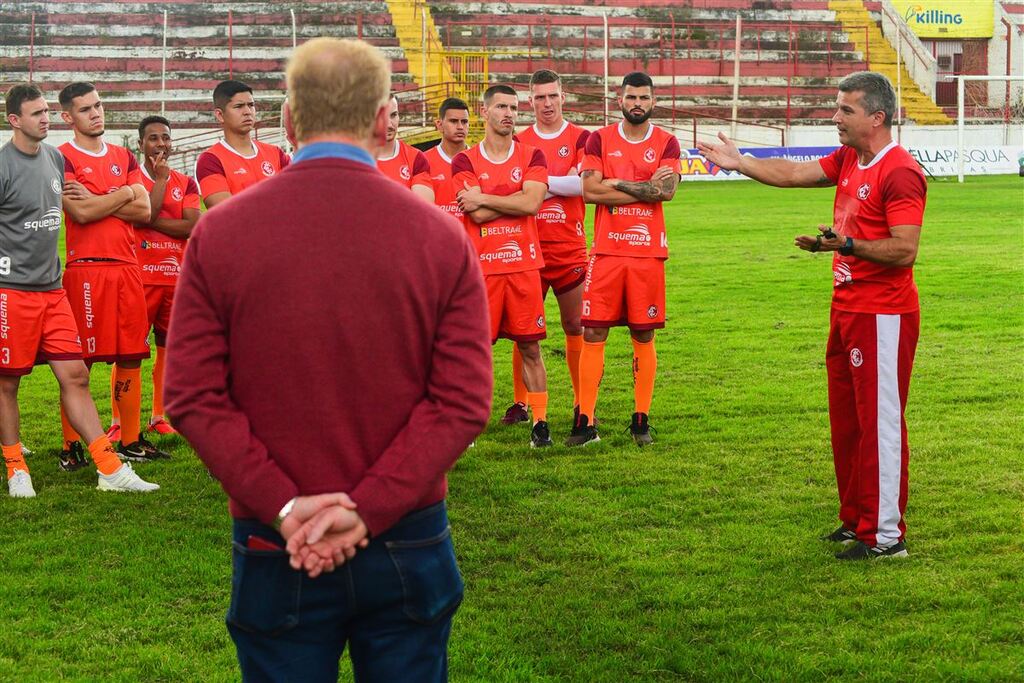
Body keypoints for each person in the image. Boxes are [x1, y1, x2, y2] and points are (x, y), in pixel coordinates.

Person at [164, 38, 492, 680]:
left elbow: (192, 397)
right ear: (381, 118)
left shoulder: (222, 232)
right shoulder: (438, 234)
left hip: (274, 535)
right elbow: (461, 402)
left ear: (289, 120)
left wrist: (286, 508)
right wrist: (365, 510)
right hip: (407, 531)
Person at [696, 71, 925, 560]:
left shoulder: (899, 170)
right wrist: (740, 162)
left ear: (877, 118)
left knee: (880, 422)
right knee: (847, 422)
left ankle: (885, 536)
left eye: (846, 110)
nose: (835, 117)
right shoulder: (849, 157)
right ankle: (856, 518)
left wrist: (845, 244)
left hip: (882, 314)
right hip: (846, 309)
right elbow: (795, 174)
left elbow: (905, 250)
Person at [0, 84, 158, 493]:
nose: (44, 118)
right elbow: (84, 213)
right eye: (36, 114)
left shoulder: (54, 159)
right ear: (14, 121)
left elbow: (142, 207)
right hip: (11, 290)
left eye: (45, 111)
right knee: (8, 382)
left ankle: (109, 469)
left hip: (52, 289)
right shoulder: (4, 166)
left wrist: (114, 195)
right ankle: (17, 467)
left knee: (75, 375)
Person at [58, 82, 170, 463]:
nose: (96, 113)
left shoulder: (124, 155)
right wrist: (124, 193)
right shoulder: (62, 157)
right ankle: (73, 445)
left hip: (126, 267)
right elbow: (81, 213)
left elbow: (144, 213)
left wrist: (105, 197)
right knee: (79, 362)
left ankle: (131, 440)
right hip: (85, 270)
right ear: (67, 117)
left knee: (132, 354)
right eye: (86, 108)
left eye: (99, 105)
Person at [571, 71, 680, 447]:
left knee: (643, 333)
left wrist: (615, 182)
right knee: (593, 332)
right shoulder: (598, 138)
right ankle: (584, 422)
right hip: (606, 251)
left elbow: (665, 191)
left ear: (653, 102)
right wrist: (644, 189)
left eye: (644, 98)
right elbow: (589, 191)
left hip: (648, 253)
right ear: (619, 100)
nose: (638, 103)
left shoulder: (667, 142)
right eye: (631, 97)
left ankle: (640, 421)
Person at [452, 85, 551, 447]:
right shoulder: (465, 160)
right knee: (476, 353)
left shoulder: (532, 154)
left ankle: (540, 423)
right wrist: (515, 198)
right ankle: (470, 424)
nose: (509, 113)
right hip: (483, 272)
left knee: (531, 349)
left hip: (523, 267)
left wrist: (487, 197)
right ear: (485, 112)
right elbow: (474, 214)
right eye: (501, 107)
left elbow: (533, 204)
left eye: (514, 107)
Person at [507, 69, 590, 431]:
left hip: (569, 247)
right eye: (540, 97)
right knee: (523, 328)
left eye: (552, 96)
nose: (547, 104)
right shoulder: (520, 140)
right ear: (530, 101)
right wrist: (559, 183)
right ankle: (520, 403)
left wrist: (538, 185)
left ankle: (579, 402)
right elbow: (514, 191)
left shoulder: (581, 137)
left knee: (576, 325)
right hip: (527, 250)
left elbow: (585, 185)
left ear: (563, 96)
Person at [108, 116, 200, 440]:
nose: (161, 144)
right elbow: (146, 210)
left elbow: (190, 226)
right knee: (128, 352)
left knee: (166, 347)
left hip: (175, 277)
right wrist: (159, 183)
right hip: (138, 277)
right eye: (153, 139)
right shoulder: (133, 182)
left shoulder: (187, 182)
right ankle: (119, 422)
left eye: (165, 138)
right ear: (140, 144)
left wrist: (149, 222)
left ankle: (158, 415)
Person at [194, 80, 290, 208]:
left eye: (251, 105)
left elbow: (295, 196)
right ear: (220, 115)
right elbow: (226, 211)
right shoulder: (210, 160)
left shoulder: (276, 153)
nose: (247, 112)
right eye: (239, 106)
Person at [376, 94, 434, 202]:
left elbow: (423, 207)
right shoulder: (355, 158)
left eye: (393, 115)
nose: (389, 124)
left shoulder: (415, 158)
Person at [423, 97, 470, 221]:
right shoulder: (423, 161)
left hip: (471, 238)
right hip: (437, 236)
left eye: (464, 122)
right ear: (439, 125)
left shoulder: (479, 159)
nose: (460, 127)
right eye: (454, 121)